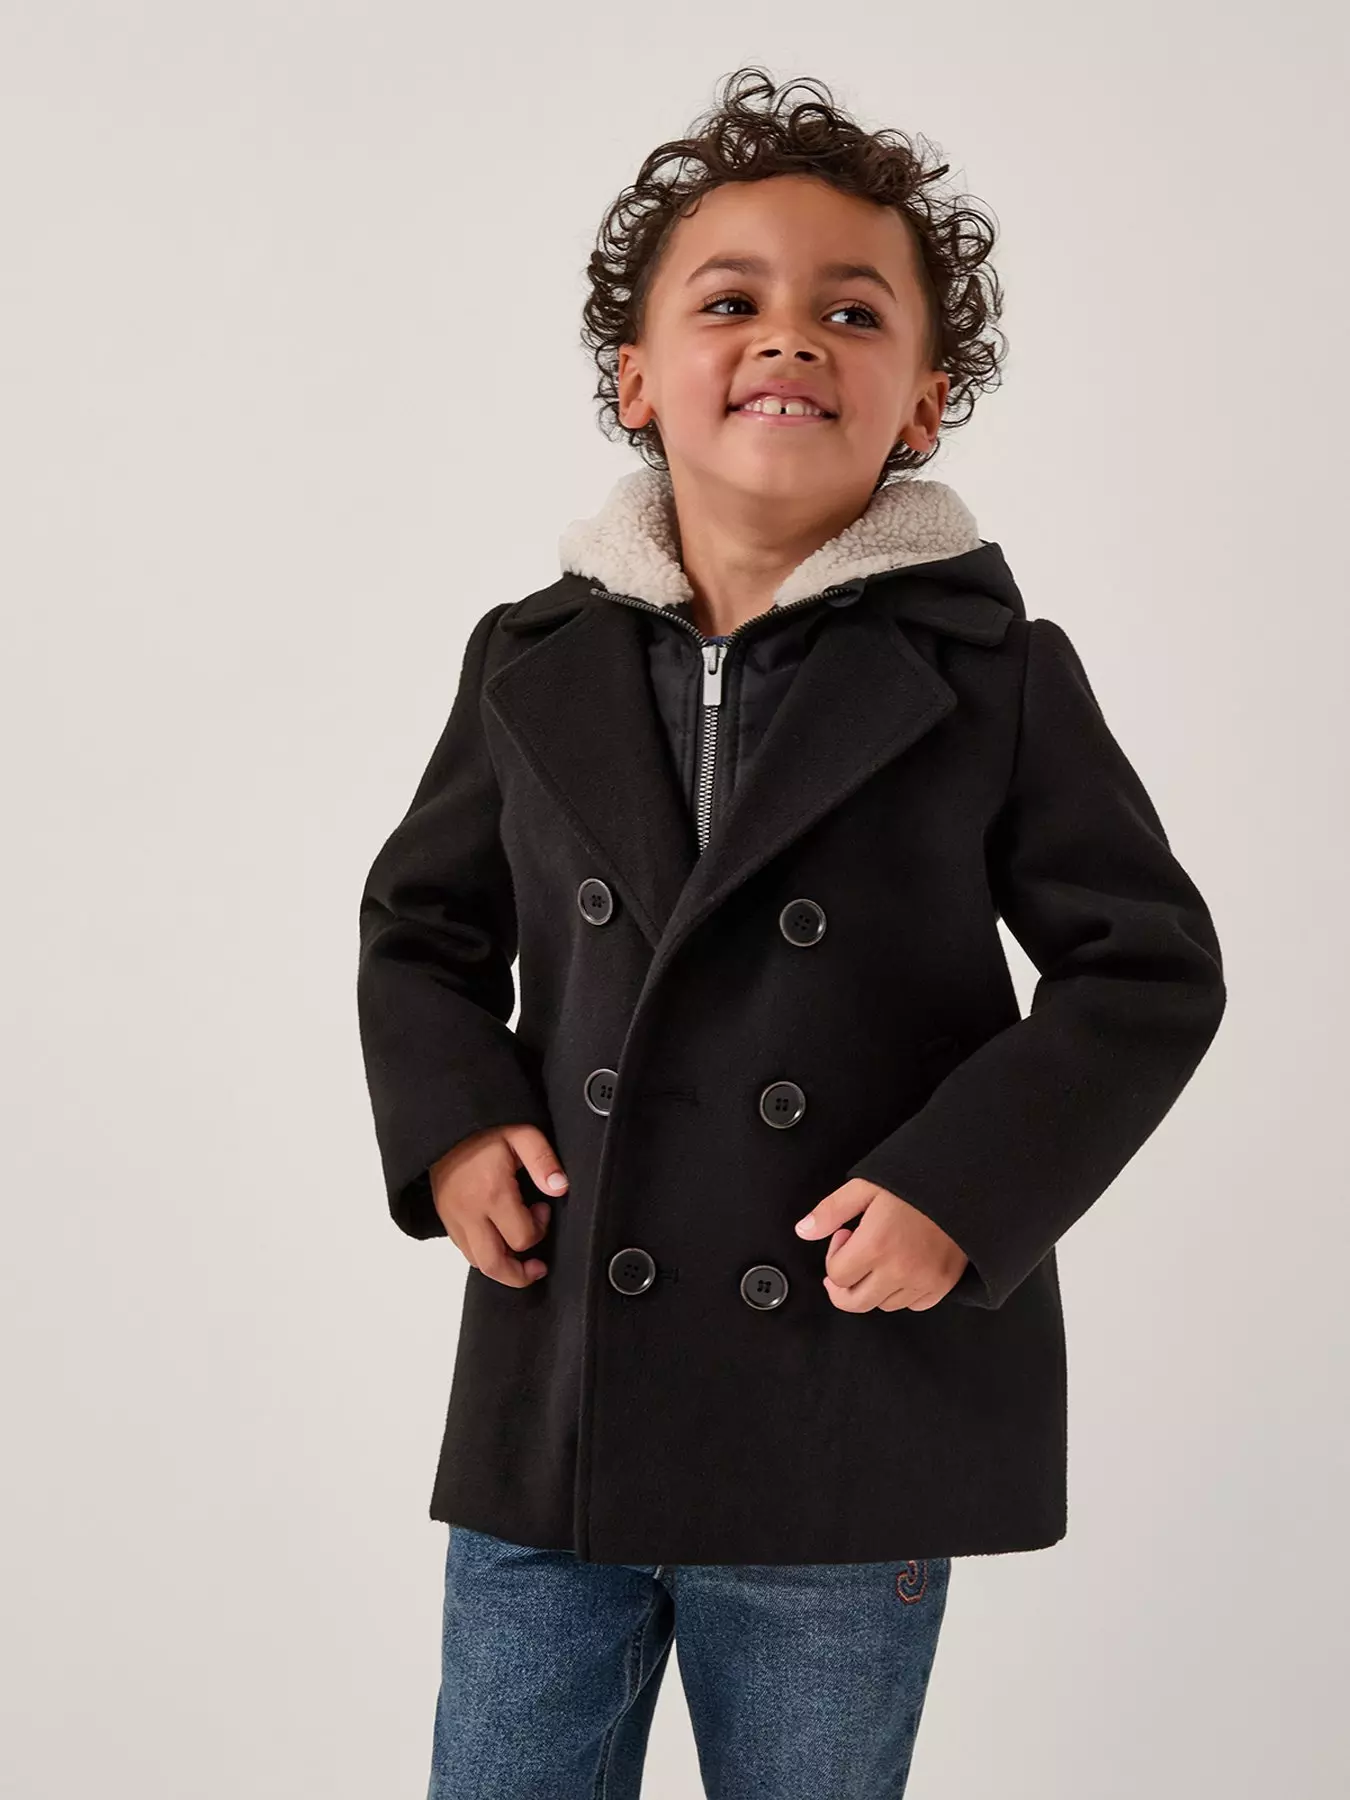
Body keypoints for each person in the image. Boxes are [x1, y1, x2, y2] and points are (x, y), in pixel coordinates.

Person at [356, 66, 1227, 1800]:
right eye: (729, 301)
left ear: (924, 402)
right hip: (563, 1393)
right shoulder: (528, 659)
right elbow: (418, 923)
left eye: (851, 311)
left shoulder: (993, 674)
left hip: (846, 1404)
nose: (789, 338)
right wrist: (454, 1121)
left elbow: (1145, 968)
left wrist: (961, 1191)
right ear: (634, 377)